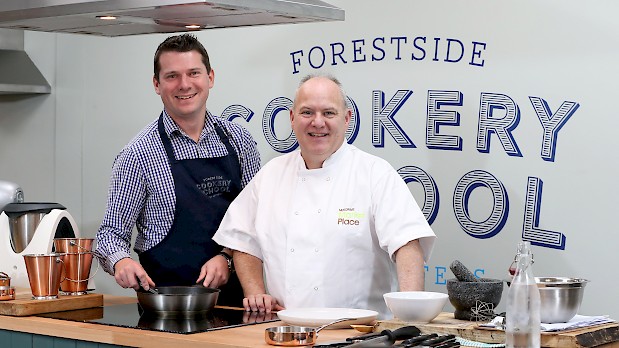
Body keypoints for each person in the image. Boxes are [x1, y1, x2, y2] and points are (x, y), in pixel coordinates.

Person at [213, 73, 436, 318]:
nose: (318, 122)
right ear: (292, 117)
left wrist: (412, 317)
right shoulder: (271, 174)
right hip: (287, 332)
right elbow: (242, 239)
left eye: (329, 113)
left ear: (346, 118)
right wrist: (256, 292)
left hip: (359, 334)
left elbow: (407, 244)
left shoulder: (374, 173)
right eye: (307, 112)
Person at [95, 33, 260, 307]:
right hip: (166, 311)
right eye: (172, 76)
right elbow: (110, 234)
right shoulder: (138, 154)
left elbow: (256, 220)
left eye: (193, 73)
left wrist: (227, 257)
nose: (184, 85)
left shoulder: (239, 141)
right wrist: (121, 261)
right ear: (157, 84)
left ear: (210, 77)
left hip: (237, 309)